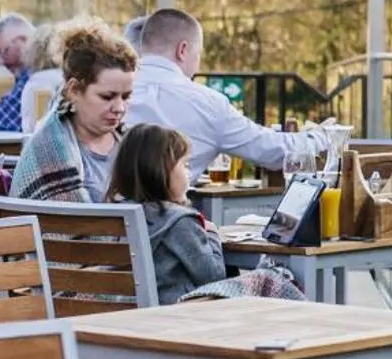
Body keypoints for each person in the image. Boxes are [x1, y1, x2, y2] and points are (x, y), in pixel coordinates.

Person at [106, 123, 304, 303]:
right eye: (185, 165)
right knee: (270, 276)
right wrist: (211, 232)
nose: (189, 173)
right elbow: (213, 277)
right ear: (160, 171)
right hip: (173, 314)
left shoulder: (116, 215)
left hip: (117, 311)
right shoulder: (179, 221)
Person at [126, 8, 327, 175]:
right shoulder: (209, 105)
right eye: (198, 55)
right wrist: (323, 136)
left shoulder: (112, 92)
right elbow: (275, 151)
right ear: (183, 50)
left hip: (109, 210)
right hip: (167, 211)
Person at [10, 24, 137, 202]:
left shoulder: (132, 143)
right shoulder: (49, 150)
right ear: (74, 90)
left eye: (126, 97)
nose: (119, 108)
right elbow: (75, 219)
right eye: (107, 97)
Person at [0, 13, 34, 132]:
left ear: (23, 40)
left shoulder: (34, 73)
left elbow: (3, 121)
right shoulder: (27, 74)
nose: (1, 62)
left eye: (3, 52)